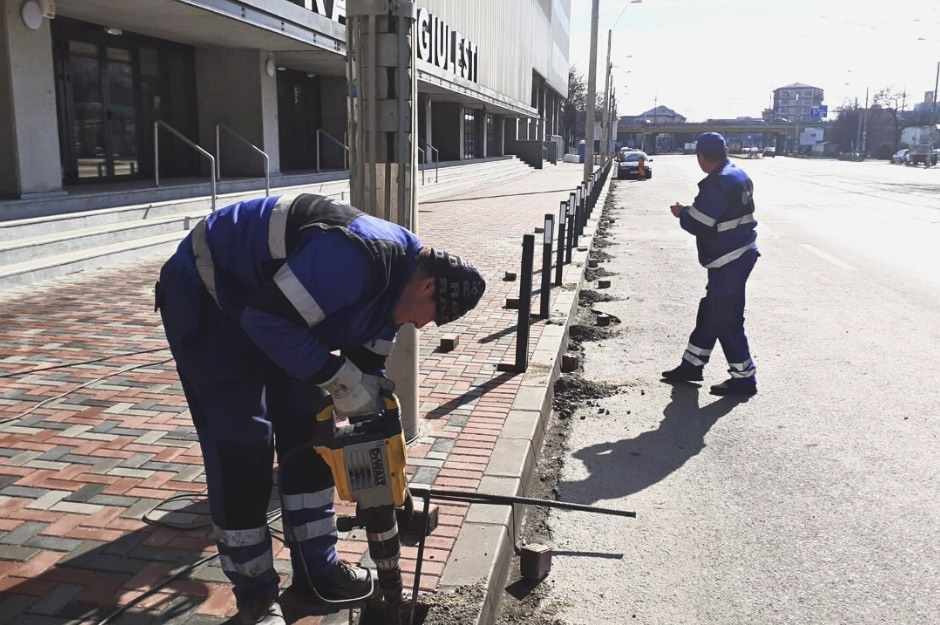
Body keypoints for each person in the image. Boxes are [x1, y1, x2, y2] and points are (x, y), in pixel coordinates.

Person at [154, 192, 485, 625]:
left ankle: (318, 573)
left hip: (278, 314)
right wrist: (338, 378)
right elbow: (266, 321)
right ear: (427, 286)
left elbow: (366, 365)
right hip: (210, 292)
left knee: (312, 435)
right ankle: (256, 596)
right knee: (243, 447)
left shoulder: (395, 295)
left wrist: (373, 431)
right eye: (430, 316)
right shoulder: (356, 256)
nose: (421, 326)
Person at [662, 132, 759, 396]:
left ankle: (744, 378)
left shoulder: (717, 183)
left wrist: (683, 213)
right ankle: (691, 365)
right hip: (738, 253)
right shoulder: (737, 173)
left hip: (730, 258)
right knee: (711, 311)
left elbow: (700, 223)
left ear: (701, 157)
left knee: (727, 318)